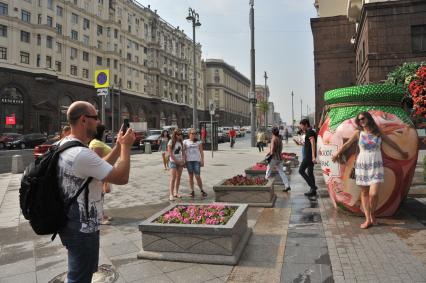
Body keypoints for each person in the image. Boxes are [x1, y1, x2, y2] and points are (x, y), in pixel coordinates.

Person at [57, 101, 135, 283]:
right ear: (84, 120)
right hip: (82, 227)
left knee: (79, 272)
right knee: (79, 278)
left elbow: (98, 168)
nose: (98, 122)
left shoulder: (65, 144)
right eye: (95, 118)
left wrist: (117, 146)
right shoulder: (81, 154)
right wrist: (126, 148)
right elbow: (122, 177)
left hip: (69, 222)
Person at [332, 111, 408, 229]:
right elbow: (347, 144)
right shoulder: (358, 133)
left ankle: (372, 214)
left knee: (374, 194)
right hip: (363, 165)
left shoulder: (378, 133)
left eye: (363, 119)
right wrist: (337, 153)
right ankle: (368, 219)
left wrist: (402, 152)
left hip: (376, 164)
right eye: (359, 120)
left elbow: (391, 142)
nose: (361, 121)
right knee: (364, 193)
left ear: (368, 118)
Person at [89, 124, 113, 225]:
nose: (105, 133)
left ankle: (101, 214)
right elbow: (97, 161)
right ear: (101, 132)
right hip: (100, 174)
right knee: (98, 196)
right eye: (104, 131)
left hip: (103, 172)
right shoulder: (96, 143)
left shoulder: (97, 142)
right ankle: (99, 217)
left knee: (101, 195)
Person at [295, 119, 318, 197]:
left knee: (301, 170)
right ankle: (313, 191)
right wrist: (300, 143)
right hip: (309, 155)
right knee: (310, 173)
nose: (301, 127)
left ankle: (313, 187)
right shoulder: (309, 132)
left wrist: (313, 156)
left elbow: (313, 143)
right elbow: (307, 144)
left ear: (305, 125)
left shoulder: (310, 132)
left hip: (309, 156)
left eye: (301, 125)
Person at [183, 128, 208, 198]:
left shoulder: (198, 142)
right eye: (192, 133)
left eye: (195, 133)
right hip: (189, 161)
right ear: (189, 134)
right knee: (190, 176)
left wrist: (202, 160)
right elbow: (183, 152)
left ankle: (201, 190)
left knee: (197, 176)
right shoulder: (185, 141)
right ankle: (192, 191)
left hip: (196, 161)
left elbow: (201, 152)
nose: (194, 135)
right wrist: (184, 161)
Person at [266, 127, 291, 191]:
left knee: (268, 172)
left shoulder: (273, 139)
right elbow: (279, 149)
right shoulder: (280, 139)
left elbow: (272, 150)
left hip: (274, 158)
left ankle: (266, 187)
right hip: (280, 158)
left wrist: (268, 155)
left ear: (272, 132)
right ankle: (287, 185)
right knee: (282, 172)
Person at [168, 129, 185, 201]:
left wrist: (183, 160)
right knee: (173, 178)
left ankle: (176, 192)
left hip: (180, 162)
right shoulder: (171, 142)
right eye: (178, 134)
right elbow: (170, 154)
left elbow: (183, 152)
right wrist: (177, 161)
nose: (180, 136)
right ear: (175, 135)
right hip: (173, 162)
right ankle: (171, 194)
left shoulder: (181, 142)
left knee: (178, 178)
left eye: (181, 134)